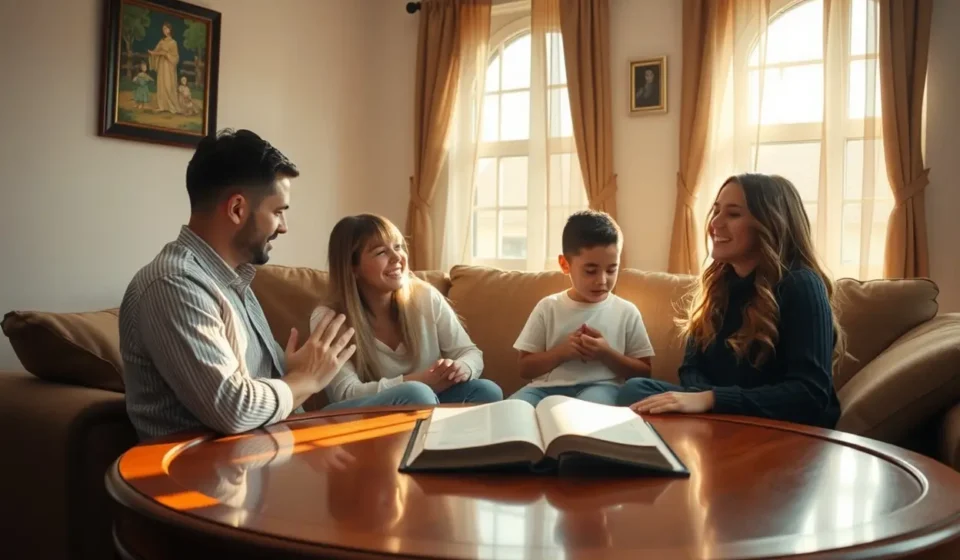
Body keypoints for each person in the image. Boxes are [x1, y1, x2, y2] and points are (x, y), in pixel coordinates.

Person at [120, 129, 356, 441]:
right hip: (205, 472)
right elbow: (232, 408)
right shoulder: (173, 284)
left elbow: (262, 383)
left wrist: (289, 368)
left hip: (265, 453)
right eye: (277, 212)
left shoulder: (232, 281)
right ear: (237, 209)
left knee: (408, 404)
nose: (283, 227)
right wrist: (305, 379)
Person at [616, 173, 845, 429]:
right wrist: (699, 398)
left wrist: (713, 399)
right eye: (716, 211)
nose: (715, 223)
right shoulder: (717, 284)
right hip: (720, 414)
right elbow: (690, 368)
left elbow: (810, 394)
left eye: (733, 214)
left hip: (778, 425)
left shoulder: (801, 285)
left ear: (770, 224)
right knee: (635, 390)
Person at [312, 214, 503, 409]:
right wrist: (419, 381)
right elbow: (345, 393)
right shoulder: (329, 317)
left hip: (425, 401)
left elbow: (470, 352)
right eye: (381, 252)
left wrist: (460, 368)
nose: (397, 257)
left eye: (398, 247)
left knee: (487, 391)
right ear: (353, 268)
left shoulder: (425, 296)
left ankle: (434, 435)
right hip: (357, 414)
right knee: (416, 393)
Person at [508, 210, 655, 407]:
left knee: (585, 414)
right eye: (590, 270)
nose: (602, 280)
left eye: (612, 269)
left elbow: (644, 372)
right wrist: (562, 352)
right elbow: (525, 369)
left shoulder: (627, 312)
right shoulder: (548, 307)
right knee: (511, 409)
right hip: (544, 389)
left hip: (602, 387)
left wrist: (606, 354)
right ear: (564, 264)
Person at [147, 22, 182, 114]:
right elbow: (156, 51)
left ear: (170, 30)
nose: (165, 31)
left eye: (166, 29)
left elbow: (176, 57)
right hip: (162, 66)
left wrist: (166, 54)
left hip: (169, 66)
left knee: (169, 85)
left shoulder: (173, 43)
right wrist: (153, 53)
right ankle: (162, 106)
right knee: (161, 84)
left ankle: (172, 106)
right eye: (163, 29)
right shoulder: (162, 42)